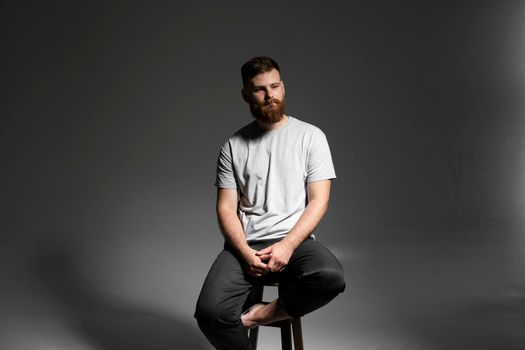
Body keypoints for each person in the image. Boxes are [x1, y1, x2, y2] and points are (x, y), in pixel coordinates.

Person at [194, 56, 345, 350]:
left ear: (283, 87)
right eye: (260, 89)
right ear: (246, 95)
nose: (269, 95)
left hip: (296, 241)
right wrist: (245, 252)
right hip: (246, 245)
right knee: (209, 314)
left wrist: (288, 245)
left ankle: (258, 315)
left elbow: (319, 201)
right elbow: (226, 208)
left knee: (330, 278)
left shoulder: (310, 137)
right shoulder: (233, 146)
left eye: (274, 86)